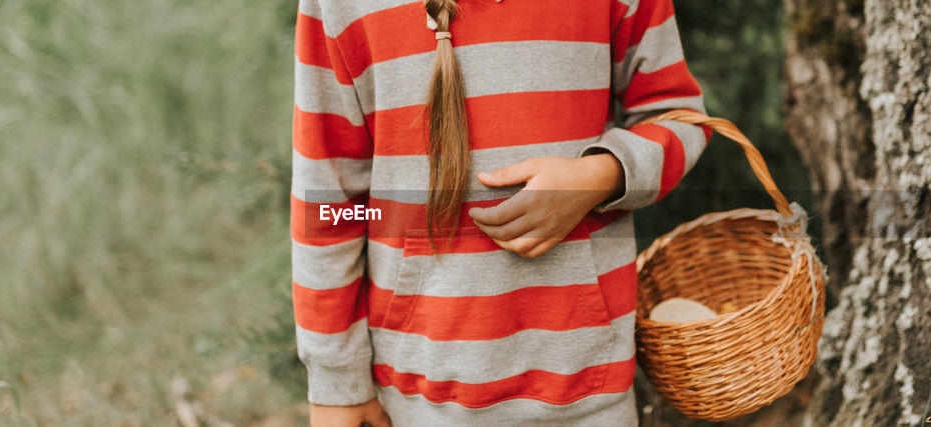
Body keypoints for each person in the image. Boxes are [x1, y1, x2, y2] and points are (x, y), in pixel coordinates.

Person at [291, 0, 708, 424]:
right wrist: (337, 385)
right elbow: (331, 202)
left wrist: (599, 176)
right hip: (417, 392)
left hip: (585, 384)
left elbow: (677, 115)